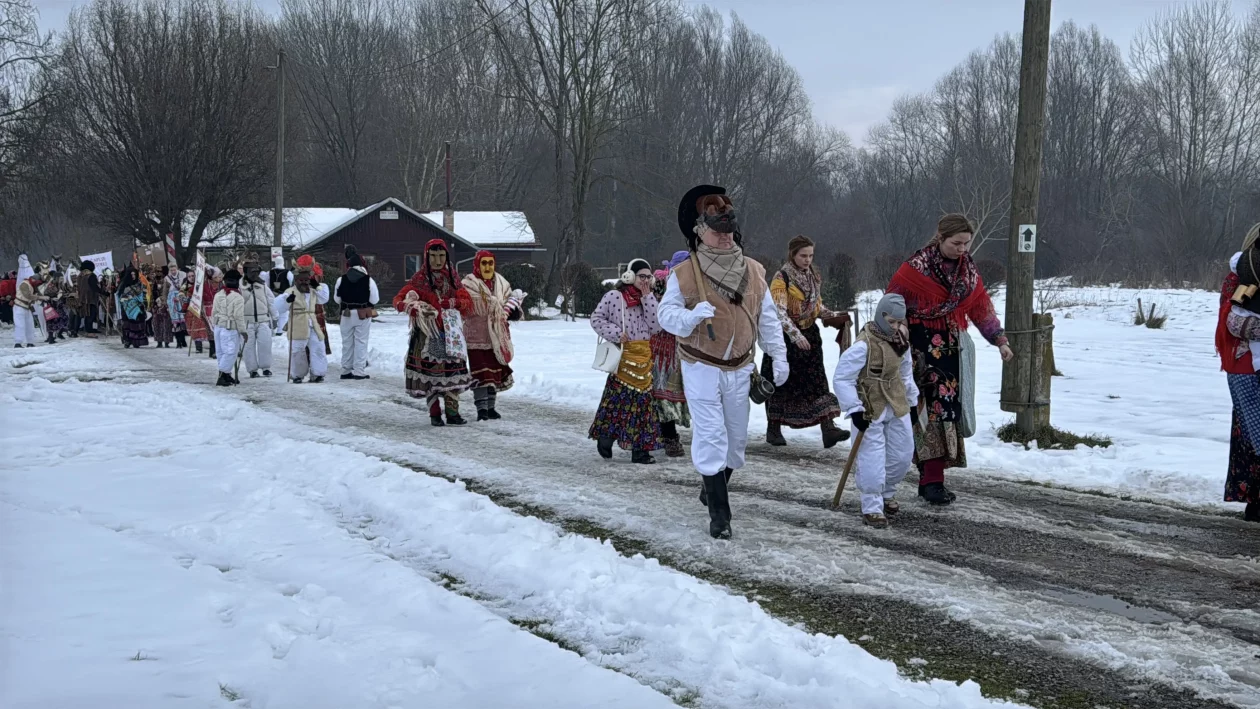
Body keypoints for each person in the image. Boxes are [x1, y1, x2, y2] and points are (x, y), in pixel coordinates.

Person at [657, 185, 789, 539]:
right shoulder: (684, 273)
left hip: (741, 366)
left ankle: (711, 484)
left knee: (736, 441)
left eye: (728, 232)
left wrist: (777, 352)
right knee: (711, 435)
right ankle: (720, 515)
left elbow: (767, 316)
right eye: (717, 232)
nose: (724, 238)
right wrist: (688, 318)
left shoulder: (754, 269)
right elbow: (665, 314)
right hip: (701, 365)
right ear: (701, 231)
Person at [886, 213, 1014, 506]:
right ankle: (921, 477)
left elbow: (981, 309)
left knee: (944, 414)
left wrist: (1000, 341)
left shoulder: (968, 272)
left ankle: (933, 480)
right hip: (918, 351)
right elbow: (891, 306)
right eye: (957, 243)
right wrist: (900, 328)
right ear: (940, 238)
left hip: (950, 354)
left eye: (967, 243)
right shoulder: (914, 269)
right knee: (923, 412)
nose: (962, 249)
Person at [833, 293, 919, 528]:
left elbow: (906, 374)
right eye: (891, 322)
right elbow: (842, 378)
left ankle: (887, 492)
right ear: (881, 316)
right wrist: (854, 408)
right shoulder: (864, 345)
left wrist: (912, 403)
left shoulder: (902, 343)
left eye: (899, 322)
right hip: (870, 407)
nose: (895, 327)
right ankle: (871, 505)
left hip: (897, 402)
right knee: (871, 457)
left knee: (902, 455)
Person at [761, 235, 848, 448]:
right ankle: (773, 428)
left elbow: (815, 306)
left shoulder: (812, 275)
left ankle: (828, 428)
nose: (808, 259)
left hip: (810, 337)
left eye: (811, 255)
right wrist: (795, 335)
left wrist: (832, 315)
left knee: (817, 382)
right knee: (782, 383)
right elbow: (779, 312)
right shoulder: (782, 278)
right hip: (786, 339)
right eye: (803, 255)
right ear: (793, 254)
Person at [589, 259, 664, 464]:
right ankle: (606, 437)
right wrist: (614, 333)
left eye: (649, 277)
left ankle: (640, 451)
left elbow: (656, 326)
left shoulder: (649, 299)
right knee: (617, 404)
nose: (646, 280)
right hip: (623, 358)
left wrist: (648, 297)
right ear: (629, 276)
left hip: (643, 357)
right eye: (642, 276)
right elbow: (596, 318)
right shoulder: (615, 297)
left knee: (643, 408)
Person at [393, 239, 475, 426]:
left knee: (452, 374)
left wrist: (454, 303)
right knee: (431, 376)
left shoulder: (453, 278)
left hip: (450, 333)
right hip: (427, 334)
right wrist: (410, 307)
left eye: (441, 256)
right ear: (426, 257)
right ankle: (435, 413)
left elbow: (467, 302)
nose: (438, 261)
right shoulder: (419, 279)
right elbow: (399, 298)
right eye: (433, 256)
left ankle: (453, 413)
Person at [1216, 223, 1260, 523]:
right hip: (1247, 367)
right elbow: (1234, 323)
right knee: (1253, 438)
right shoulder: (1242, 278)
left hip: (1247, 368)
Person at [461, 249, 524, 418]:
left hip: (496, 337)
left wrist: (512, 311)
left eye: (490, 263)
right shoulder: (468, 284)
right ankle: (481, 409)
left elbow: (510, 301)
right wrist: (489, 305)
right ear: (477, 264)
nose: (487, 267)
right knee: (481, 374)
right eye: (484, 263)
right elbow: (464, 308)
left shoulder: (502, 283)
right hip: (476, 336)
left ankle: (491, 407)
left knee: (494, 373)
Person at [651, 252, 692, 457]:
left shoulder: (694, 284)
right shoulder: (660, 284)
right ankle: (668, 435)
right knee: (662, 391)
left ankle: (665, 432)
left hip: (684, 346)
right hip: (661, 347)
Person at [334, 245, 380, 381]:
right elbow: (375, 299)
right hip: (362, 314)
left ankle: (345, 369)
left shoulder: (341, 279)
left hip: (346, 314)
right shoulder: (368, 280)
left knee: (347, 342)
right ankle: (359, 371)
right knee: (361, 341)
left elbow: (337, 299)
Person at [284, 264, 329, 383]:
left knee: (318, 347)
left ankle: (318, 373)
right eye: (301, 280)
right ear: (297, 280)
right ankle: (297, 374)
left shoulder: (314, 290)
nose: (304, 282)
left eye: (307, 280)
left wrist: (317, 286)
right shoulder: (290, 291)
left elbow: (324, 298)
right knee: (297, 349)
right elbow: (280, 305)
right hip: (298, 323)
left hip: (312, 322)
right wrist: (287, 301)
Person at [239, 258, 276, 378]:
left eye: (256, 271)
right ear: (246, 272)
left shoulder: (262, 285)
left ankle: (266, 367)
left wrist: (274, 316)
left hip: (263, 320)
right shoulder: (240, 286)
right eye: (252, 271)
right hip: (246, 321)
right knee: (248, 346)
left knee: (265, 344)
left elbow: (271, 301)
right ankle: (252, 369)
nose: (255, 274)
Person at [211, 269, 247, 386]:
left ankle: (226, 375)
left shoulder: (218, 294)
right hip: (230, 328)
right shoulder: (238, 297)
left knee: (221, 352)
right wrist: (243, 331)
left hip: (218, 327)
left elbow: (213, 312)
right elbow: (238, 316)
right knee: (231, 352)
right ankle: (222, 376)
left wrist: (214, 326)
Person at [117, 267, 150, 349]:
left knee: (137, 324)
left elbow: (144, 295)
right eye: (131, 274)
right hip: (126, 307)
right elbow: (120, 296)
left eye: (134, 274)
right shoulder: (123, 284)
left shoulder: (140, 284)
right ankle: (127, 341)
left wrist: (144, 303)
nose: (133, 276)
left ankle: (137, 341)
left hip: (138, 307)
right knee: (127, 325)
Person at [12, 273, 44, 347]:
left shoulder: (33, 286)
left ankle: (30, 342)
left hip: (27, 307)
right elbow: (27, 295)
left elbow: (36, 295)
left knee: (30, 325)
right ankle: (18, 342)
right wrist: (40, 297)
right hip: (19, 307)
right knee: (20, 325)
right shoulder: (24, 284)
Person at [168, 270, 189, 348]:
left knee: (182, 324)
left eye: (174, 268)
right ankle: (178, 341)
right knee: (176, 324)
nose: (173, 270)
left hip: (182, 302)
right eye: (171, 268)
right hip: (172, 303)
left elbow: (185, 290)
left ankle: (183, 340)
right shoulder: (167, 278)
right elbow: (165, 291)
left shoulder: (183, 277)